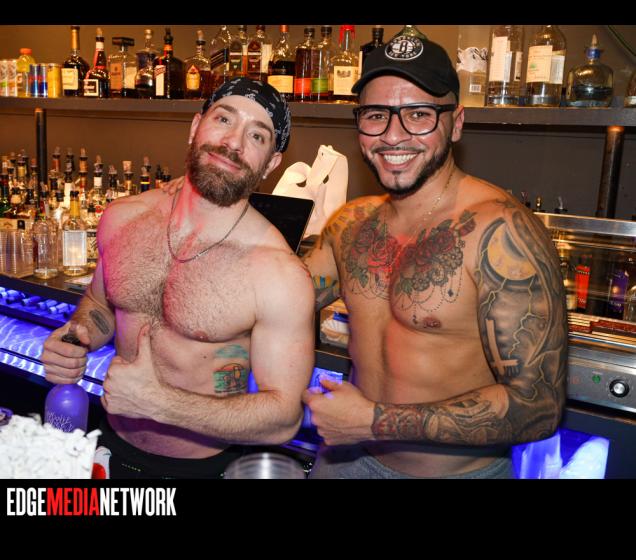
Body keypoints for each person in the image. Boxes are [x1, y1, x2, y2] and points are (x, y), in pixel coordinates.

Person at [301, 34, 568, 478]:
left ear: (456, 123)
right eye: (375, 115)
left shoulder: (499, 231)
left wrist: (373, 421)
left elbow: (538, 407)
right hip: (346, 460)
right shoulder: (350, 225)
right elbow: (272, 301)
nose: (393, 135)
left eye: (419, 114)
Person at [40, 78, 316, 478]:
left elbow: (284, 418)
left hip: (202, 468)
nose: (233, 142)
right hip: (109, 447)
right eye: (224, 119)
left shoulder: (278, 274)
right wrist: (76, 337)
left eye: (256, 135)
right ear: (195, 126)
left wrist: (160, 404)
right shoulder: (124, 218)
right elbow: (100, 304)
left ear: (271, 164)